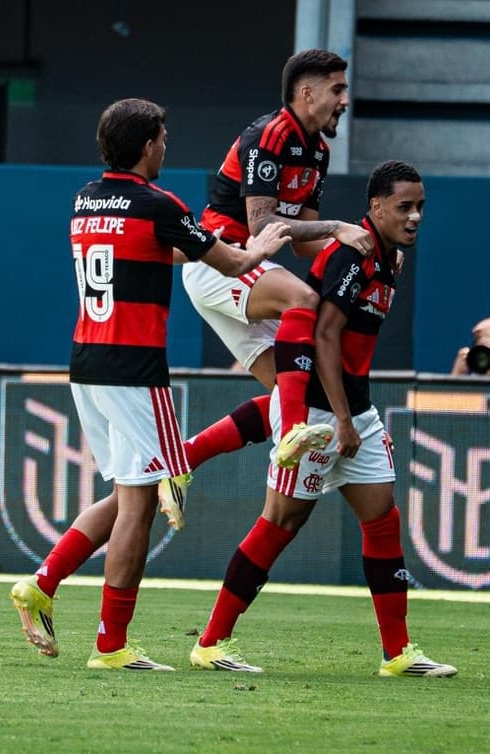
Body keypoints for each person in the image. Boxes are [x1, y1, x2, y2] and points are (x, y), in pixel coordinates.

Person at [9, 98, 291, 670]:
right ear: (146, 147)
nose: (167, 145)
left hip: (87, 361)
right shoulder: (158, 205)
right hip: (135, 370)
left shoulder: (85, 199)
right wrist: (263, 245)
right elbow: (231, 265)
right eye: (163, 137)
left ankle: (44, 582)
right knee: (142, 502)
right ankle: (111, 646)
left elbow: (138, 253)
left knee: (125, 496)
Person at [189, 160, 457, 678]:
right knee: (281, 523)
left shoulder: (387, 258)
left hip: (355, 409)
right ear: (375, 208)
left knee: (383, 520)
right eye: (404, 206)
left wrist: (355, 415)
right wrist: (341, 419)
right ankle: (210, 641)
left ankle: (398, 654)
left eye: (420, 206)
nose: (416, 215)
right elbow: (324, 336)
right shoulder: (349, 257)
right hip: (319, 410)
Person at [179, 48, 380, 477]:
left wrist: (367, 257)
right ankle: (292, 431)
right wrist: (338, 228)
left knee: (297, 390)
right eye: (338, 89)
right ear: (307, 93)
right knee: (302, 298)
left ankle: (184, 459)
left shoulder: (318, 153)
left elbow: (303, 244)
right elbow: (260, 225)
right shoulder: (269, 135)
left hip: (244, 269)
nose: (345, 100)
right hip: (223, 260)